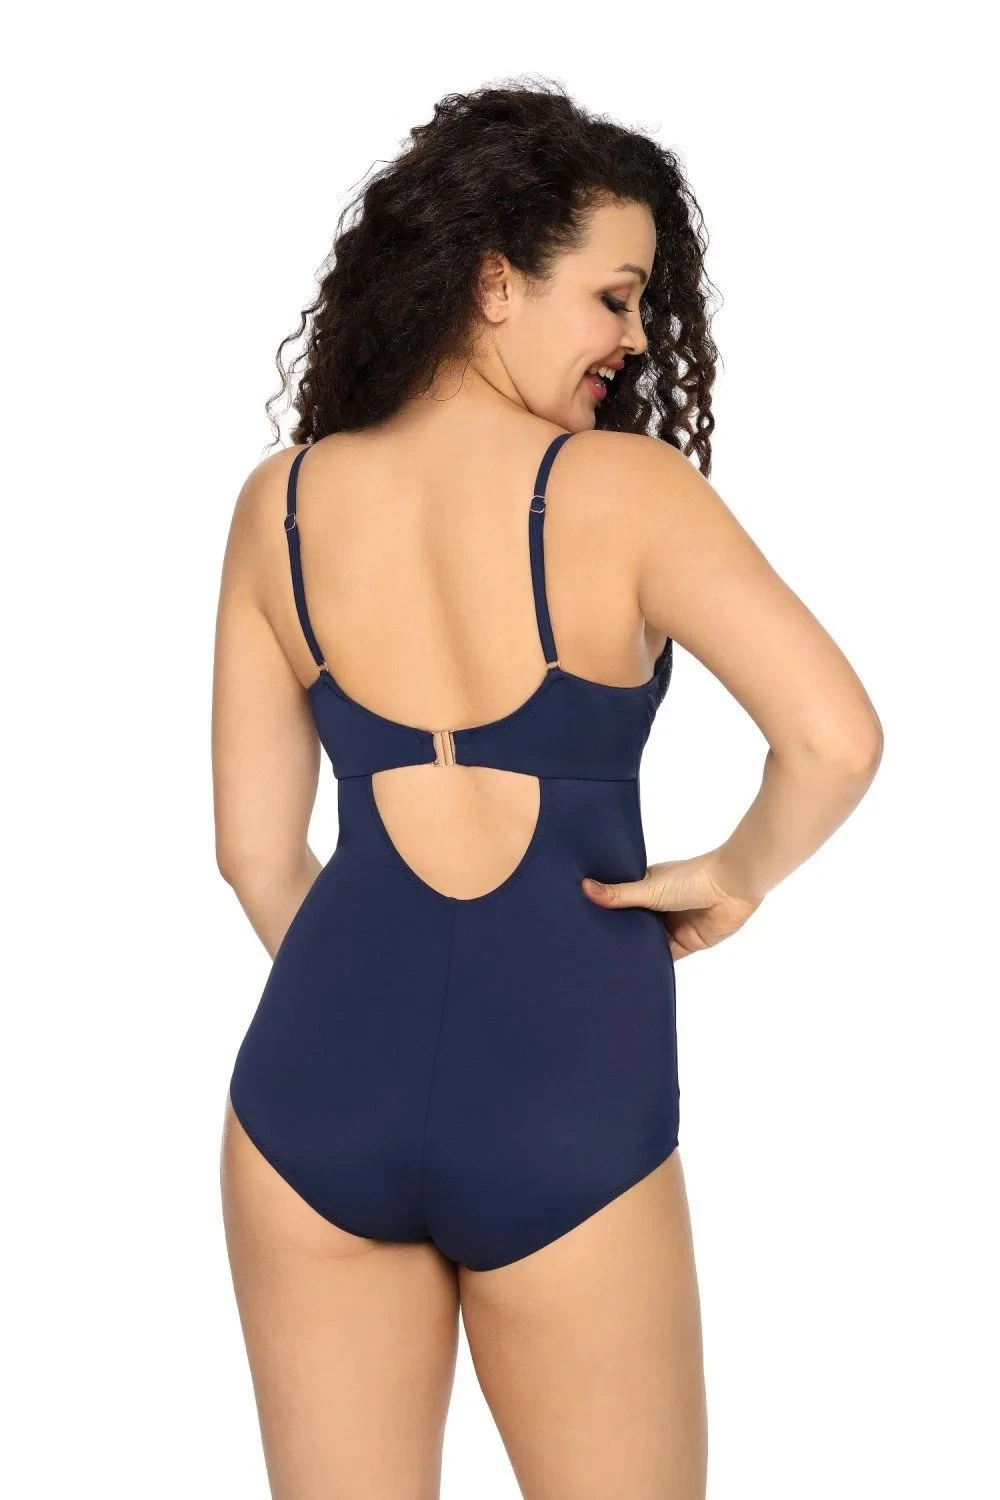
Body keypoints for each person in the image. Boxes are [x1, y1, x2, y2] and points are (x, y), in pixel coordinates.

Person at [211, 83, 883, 1500]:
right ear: (495, 282)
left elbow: (256, 858)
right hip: (565, 1091)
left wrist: (385, 1005)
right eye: (615, 297)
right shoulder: (626, 490)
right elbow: (834, 740)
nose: (636, 337)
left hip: (312, 1099)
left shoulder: (282, 500)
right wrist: (735, 876)